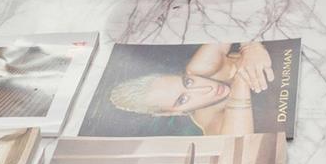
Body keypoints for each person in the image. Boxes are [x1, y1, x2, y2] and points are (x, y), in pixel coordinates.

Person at [101, 40, 275, 136]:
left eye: (188, 82)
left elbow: (231, 20)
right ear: (172, 113)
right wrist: (242, 77)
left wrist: (251, 47)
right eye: (183, 99)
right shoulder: (209, 121)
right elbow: (241, 145)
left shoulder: (202, 67)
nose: (206, 89)